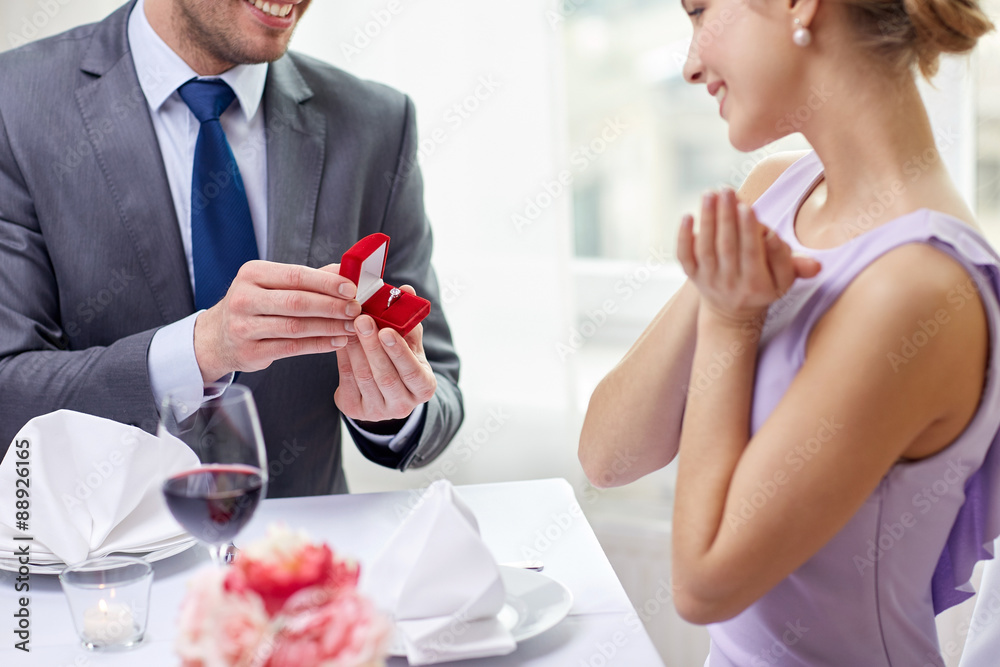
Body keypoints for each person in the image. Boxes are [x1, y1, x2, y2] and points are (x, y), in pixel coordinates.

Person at [579, 0, 1000, 664]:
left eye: (699, 11)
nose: (690, 64)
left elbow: (704, 583)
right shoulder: (776, 192)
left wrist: (728, 319)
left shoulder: (918, 286)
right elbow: (608, 456)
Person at [0, 0, 463, 497]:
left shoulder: (377, 124)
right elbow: (10, 386)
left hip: (296, 560)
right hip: (99, 562)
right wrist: (199, 351)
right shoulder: (15, 101)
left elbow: (440, 390)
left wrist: (394, 406)